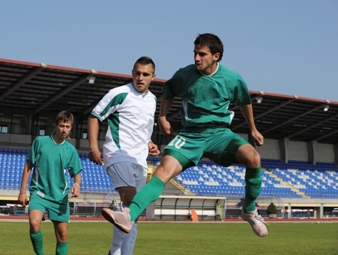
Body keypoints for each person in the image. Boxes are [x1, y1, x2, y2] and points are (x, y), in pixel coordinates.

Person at [101, 33, 268, 238]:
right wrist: (162, 116)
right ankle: (129, 214)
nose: (196, 58)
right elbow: (168, 92)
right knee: (163, 170)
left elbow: (245, 101)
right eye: (195, 53)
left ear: (216, 56)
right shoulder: (184, 75)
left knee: (253, 157)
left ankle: (249, 210)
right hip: (190, 135)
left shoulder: (232, 78)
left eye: (202, 54)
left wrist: (253, 128)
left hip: (220, 134)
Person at [88, 56, 161, 255]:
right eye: (137, 73)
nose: (140, 77)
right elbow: (95, 116)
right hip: (118, 155)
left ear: (153, 77)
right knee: (130, 202)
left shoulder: (153, 100)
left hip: (140, 160)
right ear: (132, 73)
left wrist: (150, 144)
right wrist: (94, 148)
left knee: (133, 213)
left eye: (145, 74)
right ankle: (114, 251)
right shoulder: (119, 93)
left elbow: (143, 131)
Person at [18, 111, 82, 255]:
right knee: (34, 223)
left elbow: (77, 175)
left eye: (67, 126)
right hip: (39, 193)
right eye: (61, 126)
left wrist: (76, 184)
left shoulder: (70, 150)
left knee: (63, 236)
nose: (64, 129)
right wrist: (22, 191)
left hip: (60, 196)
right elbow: (28, 166)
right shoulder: (40, 142)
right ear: (55, 125)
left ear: (71, 127)